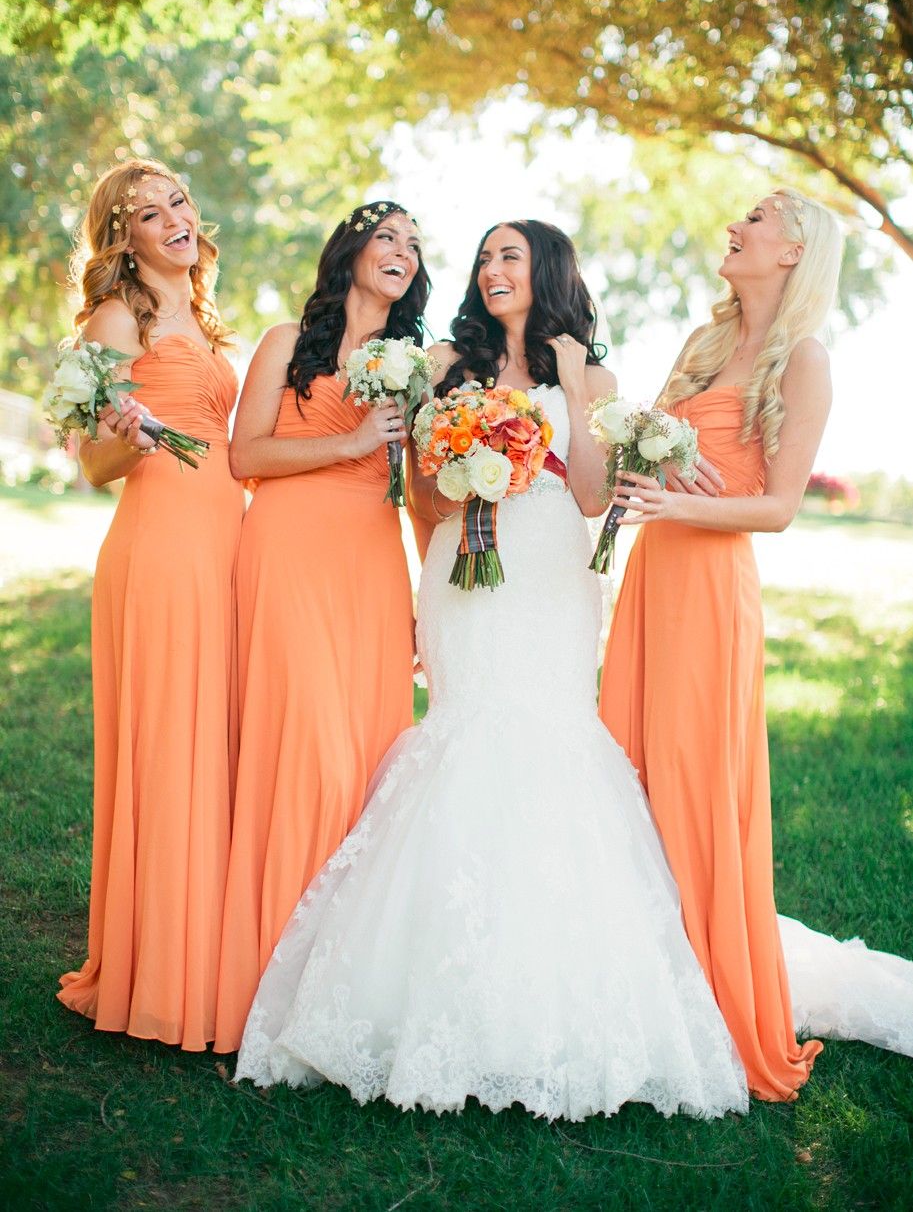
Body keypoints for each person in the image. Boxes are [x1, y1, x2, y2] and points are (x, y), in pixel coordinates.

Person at [233, 220, 749, 1121]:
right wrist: (470, 472)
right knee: (461, 736)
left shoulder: (592, 374)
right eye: (483, 257)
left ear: (545, 270)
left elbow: (590, 494)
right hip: (460, 568)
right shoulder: (443, 365)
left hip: (547, 566)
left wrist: (576, 383)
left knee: (548, 737)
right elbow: (424, 496)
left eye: (510, 255)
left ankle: (553, 995)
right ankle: (418, 994)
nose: (491, 269)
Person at [599, 186, 913, 1098]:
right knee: (632, 767)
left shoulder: (803, 360)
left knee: (695, 779)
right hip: (653, 574)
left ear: (791, 251)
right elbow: (635, 457)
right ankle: (631, 969)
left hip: (708, 589)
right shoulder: (699, 348)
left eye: (760, 217)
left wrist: (678, 499)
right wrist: (643, 472)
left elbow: (776, 508)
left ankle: (708, 977)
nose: (736, 223)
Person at [213, 202, 430, 1053]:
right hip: (290, 550)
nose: (403, 253)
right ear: (349, 251)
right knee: (307, 752)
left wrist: (425, 595)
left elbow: (412, 490)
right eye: (389, 237)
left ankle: (340, 987)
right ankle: (259, 977)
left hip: (373, 565)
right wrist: (345, 447)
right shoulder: (282, 342)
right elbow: (245, 457)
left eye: (414, 246)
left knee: (369, 756)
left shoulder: (411, 364)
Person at [58, 158, 244, 1050]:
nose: (171, 215)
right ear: (122, 239)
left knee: (212, 737)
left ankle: (204, 944)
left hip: (225, 542)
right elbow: (91, 462)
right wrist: (126, 439)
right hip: (162, 545)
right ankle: (160, 967)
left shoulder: (203, 322)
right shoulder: (115, 317)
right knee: (171, 738)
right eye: (145, 211)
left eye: (177, 198)